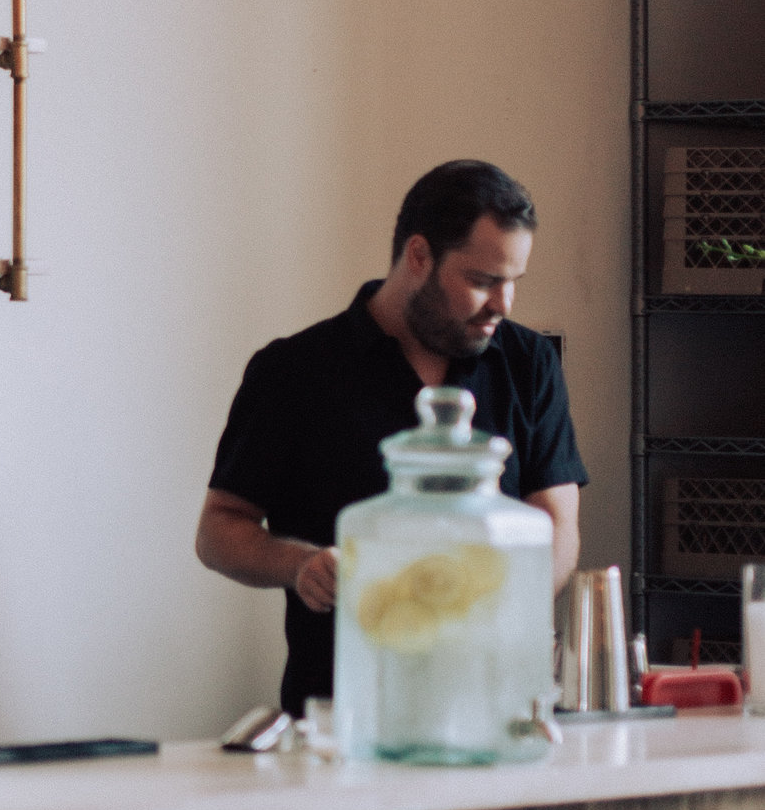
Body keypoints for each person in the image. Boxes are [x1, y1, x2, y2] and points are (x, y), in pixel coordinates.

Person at [197, 158, 586, 716]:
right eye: (482, 281)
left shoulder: (530, 363)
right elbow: (218, 529)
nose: (503, 304)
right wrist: (299, 564)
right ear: (419, 256)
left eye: (512, 282)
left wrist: (491, 622)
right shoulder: (293, 370)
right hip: (341, 713)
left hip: (488, 706)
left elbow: (556, 526)